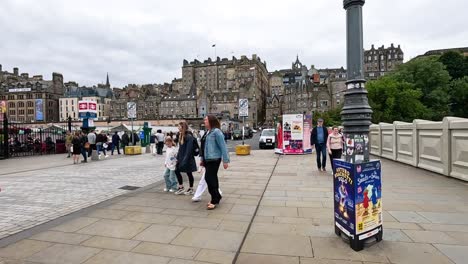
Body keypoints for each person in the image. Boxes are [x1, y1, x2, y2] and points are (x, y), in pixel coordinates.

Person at [200, 115, 230, 210]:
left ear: (210, 121)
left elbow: (223, 146)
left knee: (209, 178)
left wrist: (225, 160)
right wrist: (202, 159)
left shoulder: (217, 132)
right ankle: (216, 197)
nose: (204, 121)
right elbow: (203, 147)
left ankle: (214, 199)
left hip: (214, 159)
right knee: (212, 178)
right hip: (207, 159)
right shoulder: (207, 132)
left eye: (206, 120)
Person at [174, 122, 197, 195]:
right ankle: (181, 187)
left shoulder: (189, 136)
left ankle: (191, 188)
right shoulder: (180, 135)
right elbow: (180, 149)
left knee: (189, 173)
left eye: (179, 126)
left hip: (188, 158)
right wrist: (177, 158)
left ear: (183, 127)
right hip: (181, 157)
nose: (178, 127)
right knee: (176, 170)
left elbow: (189, 149)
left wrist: (185, 159)